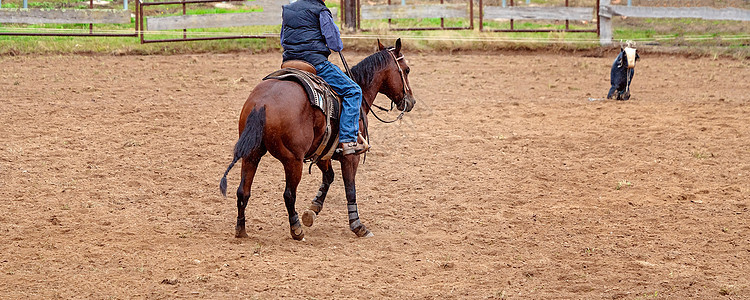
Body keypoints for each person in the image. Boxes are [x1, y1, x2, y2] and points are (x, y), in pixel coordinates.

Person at [280, 0, 368, 155]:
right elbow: (334, 44)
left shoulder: (288, 9)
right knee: (353, 91)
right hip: (315, 63)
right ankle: (348, 141)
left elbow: (283, 39)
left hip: (289, 63)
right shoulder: (321, 10)